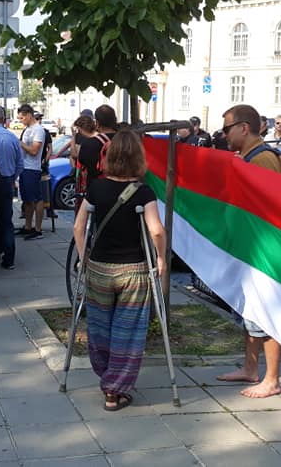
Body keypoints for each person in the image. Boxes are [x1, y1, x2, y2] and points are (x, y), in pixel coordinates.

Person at [73, 130, 166, 411]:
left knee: (100, 327)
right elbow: (156, 231)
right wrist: (161, 258)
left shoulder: (96, 188)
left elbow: (78, 226)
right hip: (133, 271)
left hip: (100, 268)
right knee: (128, 331)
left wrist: (83, 257)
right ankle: (114, 389)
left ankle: (107, 376)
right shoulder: (144, 192)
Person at [216, 104, 281, 399]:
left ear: (244, 128)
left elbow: (270, 208)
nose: (223, 135)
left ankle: (272, 379)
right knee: (250, 311)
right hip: (251, 249)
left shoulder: (263, 160)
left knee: (266, 313)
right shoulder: (248, 158)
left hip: (264, 252)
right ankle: (250, 368)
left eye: (227, 129)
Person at [0, 105, 23, 270]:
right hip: (6, 180)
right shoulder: (12, 137)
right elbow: (20, 163)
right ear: (3, 119)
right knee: (6, 221)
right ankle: (9, 258)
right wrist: (12, 177)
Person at [75, 105, 118, 211]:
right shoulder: (126, 141)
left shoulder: (90, 144)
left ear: (97, 122)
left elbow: (81, 163)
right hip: (124, 193)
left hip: (97, 192)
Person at [15, 104, 47, 240]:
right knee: (27, 199)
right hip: (24, 167)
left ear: (29, 115)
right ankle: (28, 226)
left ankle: (38, 229)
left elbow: (34, 151)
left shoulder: (38, 130)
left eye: (22, 118)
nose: (21, 121)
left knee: (36, 198)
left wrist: (20, 143)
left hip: (32, 168)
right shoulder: (27, 129)